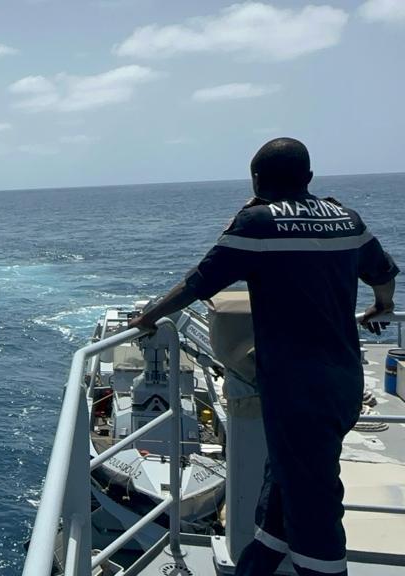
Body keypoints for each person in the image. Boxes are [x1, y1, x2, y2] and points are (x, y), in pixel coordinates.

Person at [129, 138, 397, 576]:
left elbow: (197, 284)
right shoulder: (346, 218)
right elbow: (383, 273)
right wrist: (382, 307)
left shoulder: (255, 224)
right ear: (308, 178)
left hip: (296, 388)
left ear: (255, 180)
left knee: (313, 504)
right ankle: (255, 566)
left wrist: (147, 316)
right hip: (345, 381)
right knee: (288, 479)